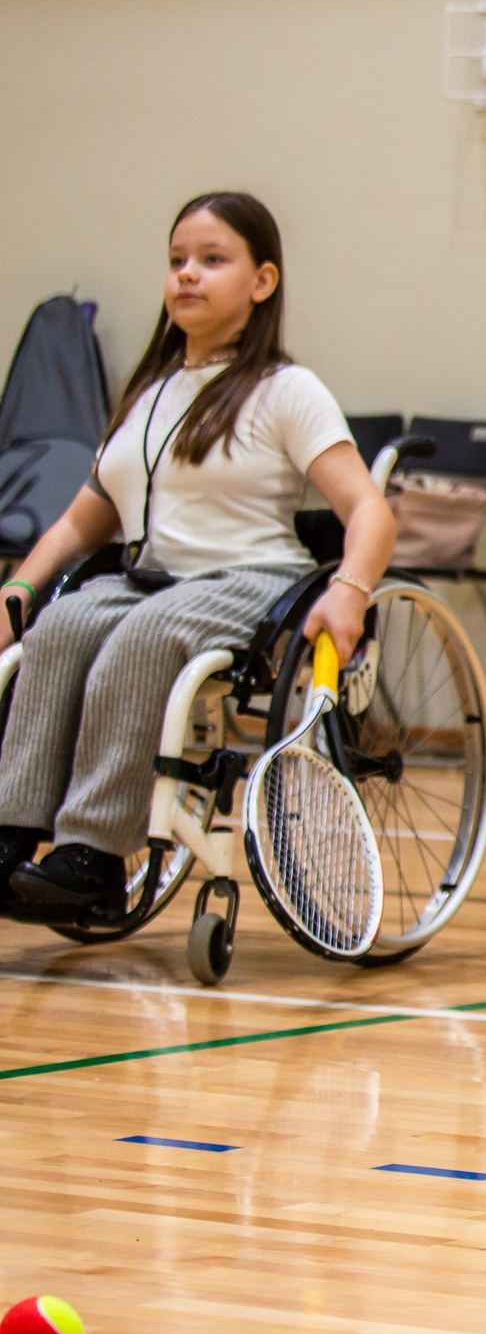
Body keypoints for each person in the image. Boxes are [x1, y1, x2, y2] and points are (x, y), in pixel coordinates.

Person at [0, 191, 393, 922]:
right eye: (178, 260)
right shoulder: (148, 392)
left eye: (212, 261)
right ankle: (13, 833)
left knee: (142, 636)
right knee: (57, 630)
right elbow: (86, 519)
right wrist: (21, 585)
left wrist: (351, 588)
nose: (187, 275)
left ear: (262, 281)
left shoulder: (286, 390)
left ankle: (92, 857)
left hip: (250, 578)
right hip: (152, 578)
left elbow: (369, 509)